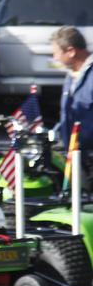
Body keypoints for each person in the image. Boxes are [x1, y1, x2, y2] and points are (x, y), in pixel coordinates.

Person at [52, 26, 93, 184]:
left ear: (71, 51)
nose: (54, 58)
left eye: (56, 53)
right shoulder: (71, 76)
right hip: (75, 154)